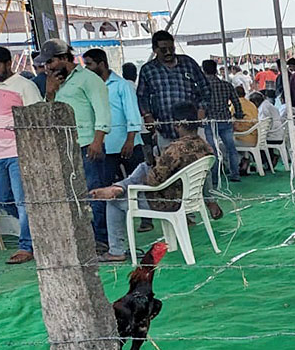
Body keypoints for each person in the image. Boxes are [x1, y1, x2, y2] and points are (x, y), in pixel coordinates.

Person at [90, 102, 216, 262]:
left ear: (176, 124)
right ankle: (119, 187)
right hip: (189, 196)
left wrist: (152, 166)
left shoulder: (175, 149)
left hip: (165, 200)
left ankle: (116, 250)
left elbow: (153, 181)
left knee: (114, 202)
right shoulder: (205, 147)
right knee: (143, 167)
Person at [40, 39, 113, 247]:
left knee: (94, 192)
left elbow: (102, 111)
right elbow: (49, 114)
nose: (48, 67)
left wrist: (97, 141)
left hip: (88, 143)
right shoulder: (55, 83)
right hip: (65, 147)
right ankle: (86, 236)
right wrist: (51, 92)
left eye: (51, 62)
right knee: (74, 195)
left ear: (64, 58)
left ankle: (102, 239)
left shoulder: (89, 79)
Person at [0, 44, 40, 263]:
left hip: (19, 153)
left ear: (8, 63)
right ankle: (36, 227)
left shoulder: (25, 86)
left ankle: (27, 245)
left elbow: (37, 120)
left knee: (23, 201)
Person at [137, 30, 209, 150]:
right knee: (169, 165)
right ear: (155, 50)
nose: (169, 52)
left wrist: (202, 108)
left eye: (172, 48)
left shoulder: (188, 63)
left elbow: (205, 88)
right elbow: (142, 96)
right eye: (164, 49)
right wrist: (147, 115)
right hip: (165, 130)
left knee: (197, 163)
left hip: (192, 130)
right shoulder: (148, 70)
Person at [83, 49, 143, 184]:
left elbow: (132, 113)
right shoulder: (90, 87)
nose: (86, 68)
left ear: (102, 64)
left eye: (89, 64)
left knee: (137, 185)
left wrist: (130, 140)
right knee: (106, 186)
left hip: (128, 145)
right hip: (104, 147)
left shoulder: (122, 85)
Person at [233, 86, 260, 172]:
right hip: (255, 137)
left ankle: (241, 161)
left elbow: (234, 124)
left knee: (223, 145)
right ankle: (247, 159)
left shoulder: (235, 105)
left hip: (244, 138)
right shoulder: (251, 104)